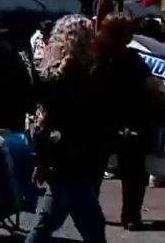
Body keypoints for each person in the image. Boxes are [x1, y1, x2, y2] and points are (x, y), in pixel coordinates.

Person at [25, 15, 107, 243]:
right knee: (90, 225)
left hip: (66, 155)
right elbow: (55, 112)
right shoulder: (70, 71)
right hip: (70, 155)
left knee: (54, 221)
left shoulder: (67, 68)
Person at [92, 13, 164, 231]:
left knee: (102, 170)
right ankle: (127, 216)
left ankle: (95, 212)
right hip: (119, 121)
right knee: (129, 173)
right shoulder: (124, 59)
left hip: (111, 121)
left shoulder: (100, 57)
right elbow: (151, 88)